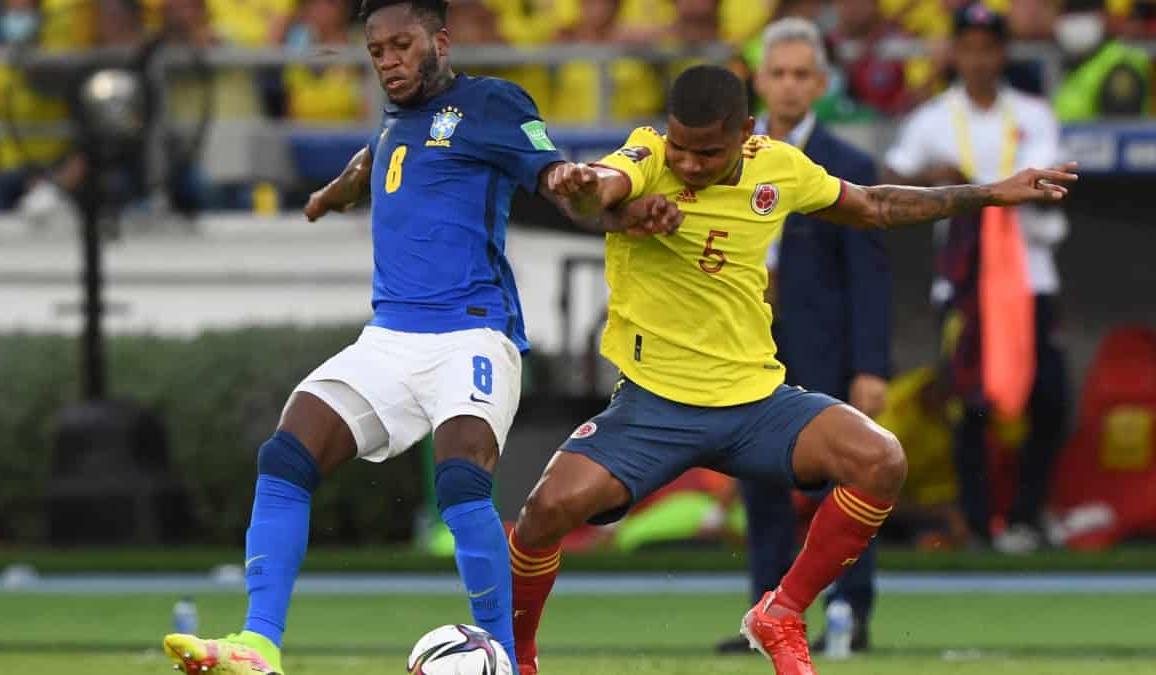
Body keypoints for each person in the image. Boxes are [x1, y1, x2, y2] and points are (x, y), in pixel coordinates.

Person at [160, 2, 679, 674]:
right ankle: (259, 644)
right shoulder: (395, 117)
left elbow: (547, 173)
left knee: (461, 478)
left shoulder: (489, 103)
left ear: (439, 40)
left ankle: (511, 659)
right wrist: (336, 192)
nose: (388, 62)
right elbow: (376, 156)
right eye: (376, 52)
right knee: (286, 453)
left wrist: (576, 184)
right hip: (390, 339)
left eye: (401, 45)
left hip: (472, 334)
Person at [507, 63, 1077, 675]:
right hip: (653, 406)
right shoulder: (648, 153)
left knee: (881, 460)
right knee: (543, 511)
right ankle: (520, 656)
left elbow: (875, 205)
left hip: (756, 403)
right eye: (681, 147)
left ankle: (782, 611)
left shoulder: (778, 166)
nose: (690, 164)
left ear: (745, 132)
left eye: (707, 152)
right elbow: (601, 189)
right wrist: (581, 181)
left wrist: (991, 192)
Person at [714, 17, 891, 656]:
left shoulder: (847, 165)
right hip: (745, 347)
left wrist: (872, 364)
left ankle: (851, 613)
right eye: (777, 73)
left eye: (800, 75)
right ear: (757, 80)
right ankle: (764, 612)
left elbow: (870, 278)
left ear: (819, 83)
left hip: (824, 348)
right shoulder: (725, 159)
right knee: (759, 484)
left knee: (843, 480)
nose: (788, 86)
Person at [884, 4, 1071, 554]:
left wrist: (975, 187)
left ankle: (1025, 515)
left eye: (989, 47)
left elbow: (1050, 179)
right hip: (964, 281)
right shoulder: (934, 118)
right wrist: (932, 180)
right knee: (969, 402)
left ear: (1002, 53)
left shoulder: (1034, 114)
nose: (979, 58)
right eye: (968, 46)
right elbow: (892, 177)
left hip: (1030, 274)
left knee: (1049, 395)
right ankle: (973, 520)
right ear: (955, 53)